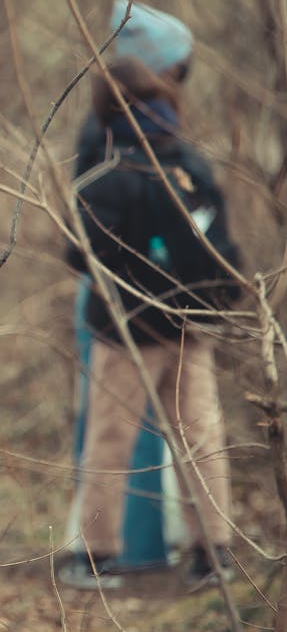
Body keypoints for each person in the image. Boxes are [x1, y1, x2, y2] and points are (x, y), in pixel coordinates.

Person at [60, 53, 241, 590]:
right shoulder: (191, 166)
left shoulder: (108, 178)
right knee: (199, 434)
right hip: (192, 326)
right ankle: (213, 552)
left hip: (127, 332)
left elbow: (79, 255)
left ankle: (96, 556)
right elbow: (223, 250)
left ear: (107, 113)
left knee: (110, 437)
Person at [69, 0, 197, 571]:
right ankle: (123, 552)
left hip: (150, 298)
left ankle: (139, 550)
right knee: (117, 428)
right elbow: (88, 227)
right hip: (117, 299)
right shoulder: (112, 132)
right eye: (174, 73)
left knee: (125, 427)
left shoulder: (139, 126)